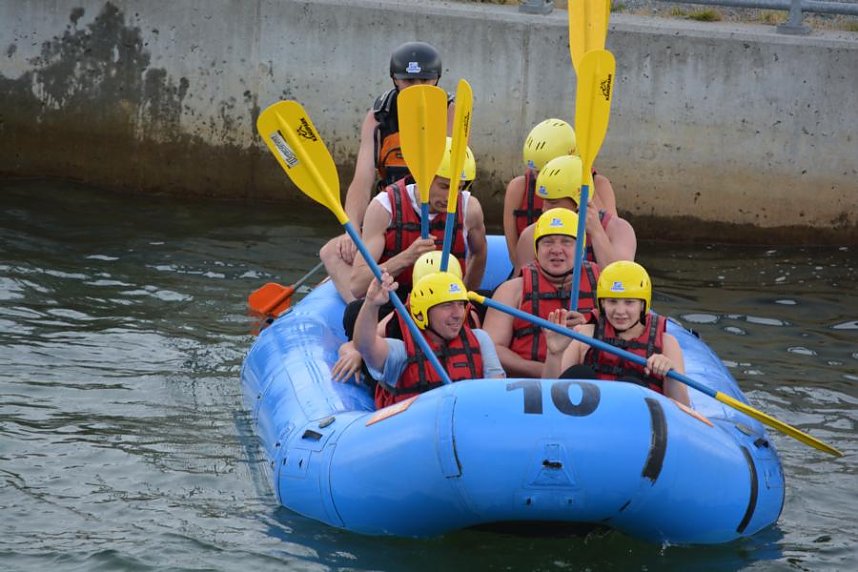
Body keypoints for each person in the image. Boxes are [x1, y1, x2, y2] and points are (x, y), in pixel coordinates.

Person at [319, 41, 456, 302]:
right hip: (389, 213)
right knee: (332, 252)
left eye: (425, 81)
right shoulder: (378, 117)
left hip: (431, 213)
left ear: (437, 79)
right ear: (395, 80)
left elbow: (452, 175)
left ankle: (373, 303)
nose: (417, 88)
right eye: (409, 81)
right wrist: (352, 231)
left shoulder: (449, 111)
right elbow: (362, 181)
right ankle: (370, 306)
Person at [349, 137, 487, 299]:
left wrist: (463, 296)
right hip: (396, 300)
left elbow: (479, 253)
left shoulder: (469, 208)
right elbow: (357, 285)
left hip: (446, 302)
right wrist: (406, 258)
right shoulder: (384, 207)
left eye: (459, 188)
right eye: (444, 186)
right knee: (353, 311)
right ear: (423, 178)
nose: (450, 197)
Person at [541, 261, 691, 406]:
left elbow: (683, 409)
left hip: (635, 420)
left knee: (632, 387)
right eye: (612, 301)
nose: (620, 311)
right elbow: (549, 398)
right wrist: (554, 354)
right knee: (580, 373)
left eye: (629, 302)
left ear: (642, 305)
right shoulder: (583, 335)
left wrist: (670, 374)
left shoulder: (667, 343)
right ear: (602, 303)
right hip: (586, 418)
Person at [354, 271, 505, 409]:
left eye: (460, 304)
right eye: (447, 306)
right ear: (421, 314)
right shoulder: (401, 353)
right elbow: (365, 346)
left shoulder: (480, 339)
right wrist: (371, 304)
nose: (458, 314)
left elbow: (496, 394)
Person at [483, 208, 600, 378]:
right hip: (528, 382)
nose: (556, 250)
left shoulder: (601, 285)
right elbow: (492, 347)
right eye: (548, 242)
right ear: (537, 249)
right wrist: (544, 371)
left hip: (587, 380)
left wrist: (592, 328)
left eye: (566, 242)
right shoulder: (512, 290)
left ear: (581, 249)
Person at [502, 118, 618, 267]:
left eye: (544, 170)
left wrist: (586, 190)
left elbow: (611, 234)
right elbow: (515, 257)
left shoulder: (599, 185)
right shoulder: (518, 188)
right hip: (539, 272)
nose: (539, 178)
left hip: (588, 272)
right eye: (535, 171)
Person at [514, 154, 635, 275]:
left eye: (553, 202)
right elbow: (521, 282)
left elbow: (620, 281)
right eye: (544, 201)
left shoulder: (619, 230)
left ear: (580, 201)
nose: (544, 209)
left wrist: (597, 233)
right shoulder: (531, 235)